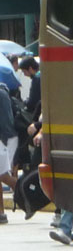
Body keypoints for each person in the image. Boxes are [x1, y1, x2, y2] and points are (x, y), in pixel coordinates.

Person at [0, 81, 19, 224]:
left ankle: (27, 195)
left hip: (4, 139)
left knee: (3, 176)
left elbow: (5, 121)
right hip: (5, 138)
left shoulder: (1, 93)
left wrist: (5, 142)